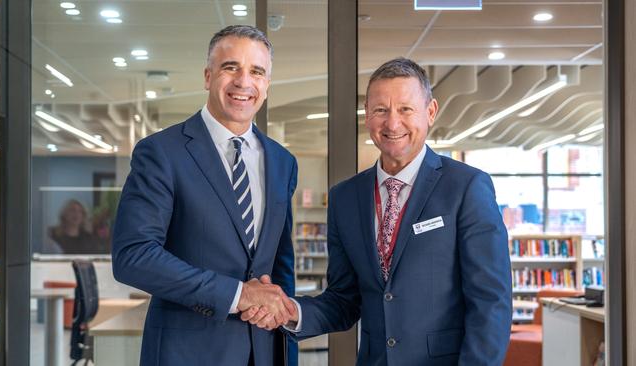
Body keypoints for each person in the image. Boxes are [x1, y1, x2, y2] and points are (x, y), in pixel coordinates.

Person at [243, 57, 512, 365]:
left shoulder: (466, 187)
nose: (392, 123)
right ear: (367, 116)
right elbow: (344, 299)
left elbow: (491, 302)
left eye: (405, 109)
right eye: (381, 110)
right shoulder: (345, 198)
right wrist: (292, 312)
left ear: (431, 112)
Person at [112, 25, 298, 366]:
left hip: (267, 350)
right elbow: (133, 256)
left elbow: (280, 265)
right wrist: (238, 295)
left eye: (257, 71)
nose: (244, 82)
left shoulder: (283, 162)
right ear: (208, 76)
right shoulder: (162, 152)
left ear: (267, 84)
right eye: (231, 67)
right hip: (188, 353)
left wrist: (281, 318)